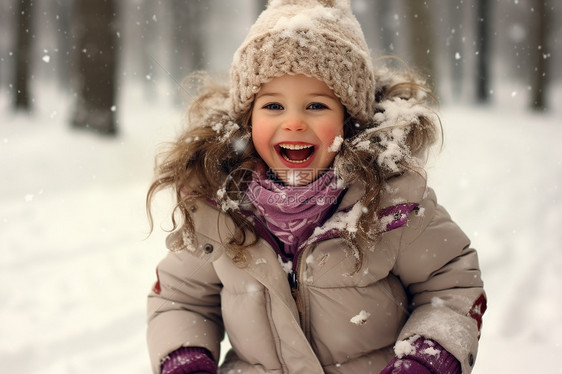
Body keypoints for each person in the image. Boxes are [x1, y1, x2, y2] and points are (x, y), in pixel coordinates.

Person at [145, 0, 486, 373]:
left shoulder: (391, 205)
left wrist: (426, 359)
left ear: (349, 121)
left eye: (316, 106)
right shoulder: (220, 207)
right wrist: (185, 358)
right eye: (273, 106)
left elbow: (451, 287)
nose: (293, 122)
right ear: (248, 118)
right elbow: (180, 299)